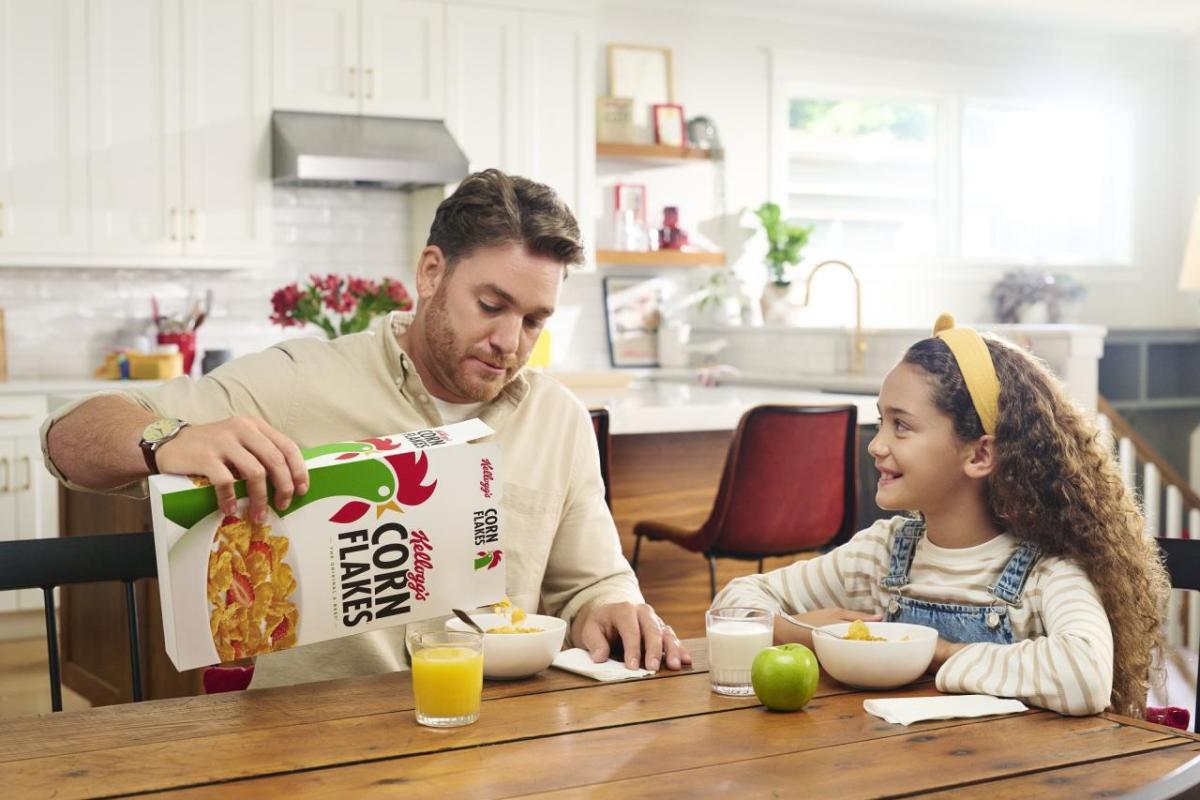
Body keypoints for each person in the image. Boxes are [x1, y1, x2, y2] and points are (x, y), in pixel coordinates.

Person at [43, 169, 690, 687]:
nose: (507, 341)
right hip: (315, 750)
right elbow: (65, 438)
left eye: (533, 321)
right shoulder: (299, 381)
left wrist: (612, 608)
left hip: (494, 747)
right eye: (491, 306)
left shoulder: (559, 421)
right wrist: (169, 441)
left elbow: (591, 584)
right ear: (431, 272)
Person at [712, 313, 1168, 716]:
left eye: (902, 425)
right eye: (880, 421)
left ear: (979, 454)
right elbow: (734, 606)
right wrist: (819, 635)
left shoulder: (1046, 573)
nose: (876, 444)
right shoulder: (880, 553)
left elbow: (1084, 676)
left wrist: (935, 652)